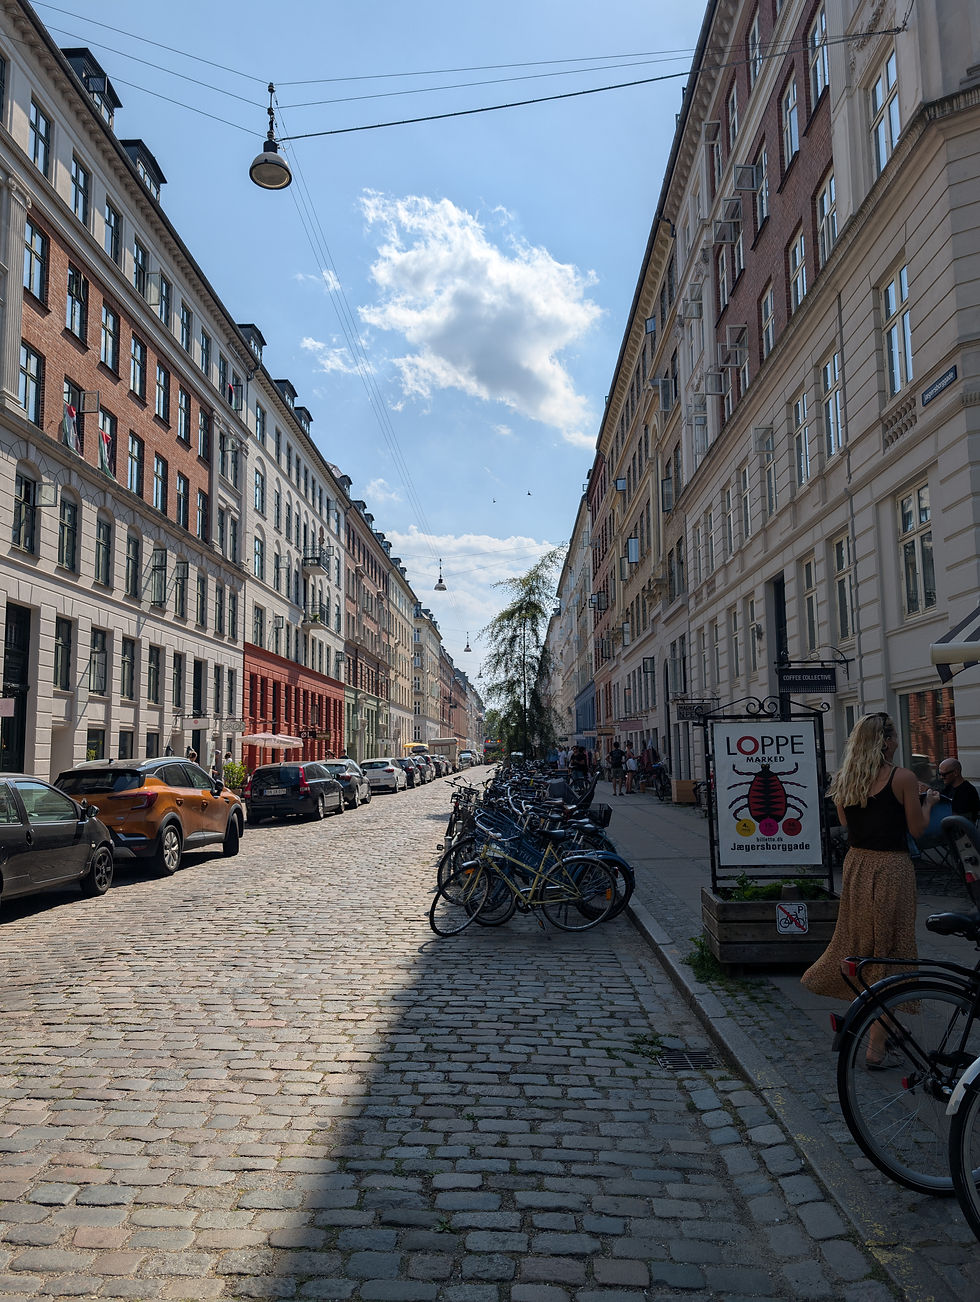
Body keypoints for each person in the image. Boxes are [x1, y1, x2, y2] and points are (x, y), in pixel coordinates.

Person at [802, 712, 941, 1067]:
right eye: (895, 736)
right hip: (891, 867)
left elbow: (848, 822)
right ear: (887, 740)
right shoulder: (903, 778)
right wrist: (928, 802)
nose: (897, 741)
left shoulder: (845, 778)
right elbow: (917, 831)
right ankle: (875, 1045)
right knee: (891, 948)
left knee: (863, 943)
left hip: (857, 864)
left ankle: (880, 1024)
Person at [938, 758, 980, 823]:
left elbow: (962, 818)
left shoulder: (968, 791)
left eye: (944, 775)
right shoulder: (948, 787)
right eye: (939, 774)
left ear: (955, 773)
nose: (941, 777)